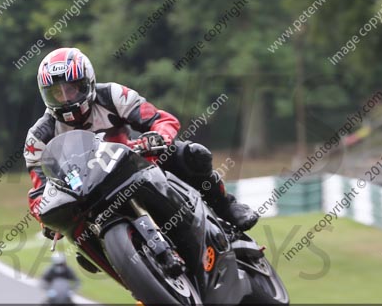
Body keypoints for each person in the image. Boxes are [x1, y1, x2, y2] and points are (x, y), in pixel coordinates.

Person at [24, 47, 259, 239]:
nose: (65, 99)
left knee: (193, 155)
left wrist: (158, 137)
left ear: (87, 82)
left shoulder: (113, 96)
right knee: (74, 242)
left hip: (130, 164)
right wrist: (48, 217)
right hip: (86, 195)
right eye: (57, 93)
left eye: (72, 89)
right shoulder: (38, 137)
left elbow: (162, 120)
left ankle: (226, 206)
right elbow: (38, 193)